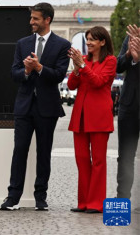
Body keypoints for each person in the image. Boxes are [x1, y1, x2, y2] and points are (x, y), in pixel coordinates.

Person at [1, 2, 70, 211]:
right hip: (24, 106)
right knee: (19, 150)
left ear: (47, 20)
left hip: (47, 107)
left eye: (35, 18)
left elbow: (59, 75)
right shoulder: (22, 43)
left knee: (44, 153)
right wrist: (27, 71)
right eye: (31, 18)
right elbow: (14, 73)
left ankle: (41, 197)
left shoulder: (62, 45)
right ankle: (13, 197)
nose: (31, 22)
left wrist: (39, 67)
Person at [67, 26, 116, 213]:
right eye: (87, 39)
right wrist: (77, 68)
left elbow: (98, 82)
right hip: (79, 117)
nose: (88, 42)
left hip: (99, 117)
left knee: (98, 161)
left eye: (92, 39)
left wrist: (82, 66)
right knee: (81, 160)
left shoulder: (110, 61)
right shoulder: (83, 61)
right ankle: (84, 202)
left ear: (102, 42)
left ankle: (96, 203)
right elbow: (71, 85)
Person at [116, 24, 140, 202]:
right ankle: (122, 198)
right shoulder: (131, 37)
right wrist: (129, 55)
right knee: (125, 155)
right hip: (129, 105)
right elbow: (118, 66)